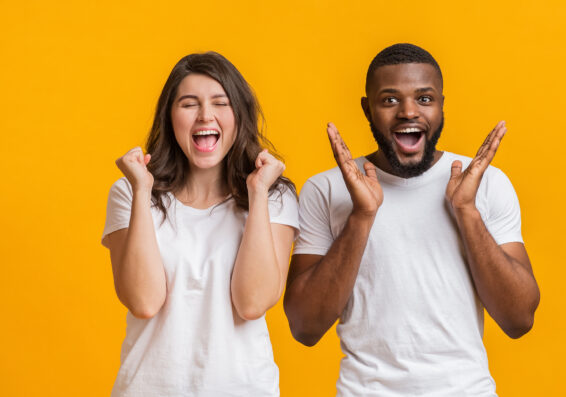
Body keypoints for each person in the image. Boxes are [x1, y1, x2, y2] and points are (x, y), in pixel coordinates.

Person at [284, 43, 540, 396]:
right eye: (390, 100)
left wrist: (467, 212)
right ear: (367, 108)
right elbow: (304, 327)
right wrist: (361, 216)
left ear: (441, 105)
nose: (408, 112)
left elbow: (519, 319)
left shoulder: (486, 183)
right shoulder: (326, 188)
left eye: (424, 98)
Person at [101, 52, 298, 396]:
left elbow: (252, 303)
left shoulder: (273, 194)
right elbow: (144, 301)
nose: (205, 115)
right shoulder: (131, 191)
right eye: (189, 104)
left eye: (220, 103)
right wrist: (142, 189)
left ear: (239, 116)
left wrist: (258, 192)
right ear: (170, 117)